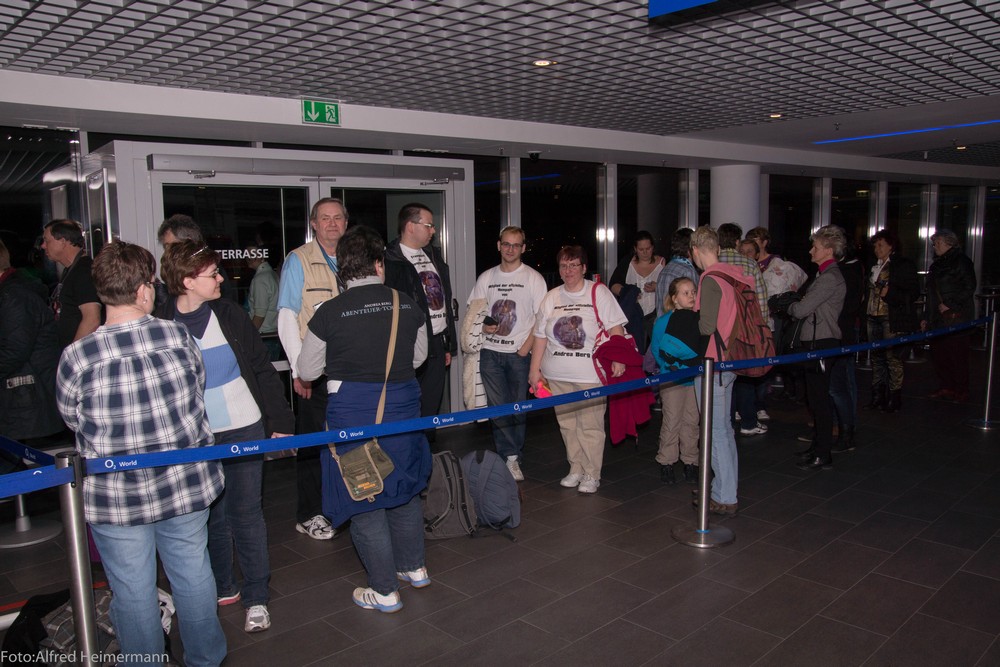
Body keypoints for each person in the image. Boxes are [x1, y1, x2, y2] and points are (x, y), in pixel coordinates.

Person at [55, 241, 226, 666]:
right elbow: (198, 388)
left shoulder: (78, 355)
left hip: (116, 495)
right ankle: (206, 659)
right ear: (144, 290)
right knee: (193, 573)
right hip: (185, 483)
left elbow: (71, 418)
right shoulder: (178, 336)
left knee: (132, 591)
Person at [158, 240, 295, 634]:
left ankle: (257, 595)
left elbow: (262, 368)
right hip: (194, 435)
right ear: (187, 281)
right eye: (212, 274)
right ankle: (223, 586)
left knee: (246, 513)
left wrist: (280, 420)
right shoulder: (161, 322)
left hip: (243, 424)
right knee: (211, 516)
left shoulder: (229, 314)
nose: (221, 279)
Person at [297, 225, 431, 614]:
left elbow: (307, 370)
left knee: (365, 495)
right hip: (403, 407)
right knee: (403, 486)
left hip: (354, 413)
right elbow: (419, 357)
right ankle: (414, 568)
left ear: (342, 268)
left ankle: (385, 591)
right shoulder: (407, 304)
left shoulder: (329, 311)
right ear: (378, 264)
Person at [529, 245, 627, 494]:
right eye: (564, 265)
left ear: (584, 268)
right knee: (567, 425)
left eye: (574, 265)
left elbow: (616, 327)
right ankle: (576, 467)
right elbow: (540, 337)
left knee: (590, 426)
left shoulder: (598, 292)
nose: (568, 270)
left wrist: (618, 358)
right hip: (556, 375)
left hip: (590, 375)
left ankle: (592, 473)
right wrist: (534, 370)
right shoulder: (551, 297)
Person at [276, 198, 347, 540]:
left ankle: (340, 505)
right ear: (314, 224)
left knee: (345, 442)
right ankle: (309, 514)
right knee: (312, 445)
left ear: (345, 223)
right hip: (314, 372)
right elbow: (287, 317)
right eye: (325, 218)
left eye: (338, 218)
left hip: (348, 370)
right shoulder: (298, 260)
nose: (332, 224)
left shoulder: (352, 259)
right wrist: (299, 370)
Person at [467, 226, 547, 481]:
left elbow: (542, 318)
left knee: (517, 409)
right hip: (490, 353)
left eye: (516, 245)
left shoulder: (533, 278)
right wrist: (483, 326)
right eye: (506, 244)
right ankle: (510, 457)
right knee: (498, 408)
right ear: (498, 245)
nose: (510, 249)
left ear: (523, 248)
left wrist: (526, 348)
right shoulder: (486, 277)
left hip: (518, 355)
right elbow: (475, 313)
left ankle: (513, 454)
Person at [383, 203, 458, 426]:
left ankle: (427, 446)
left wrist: (447, 344)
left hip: (437, 343)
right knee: (406, 407)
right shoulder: (389, 261)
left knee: (430, 407)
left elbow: (444, 301)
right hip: (408, 345)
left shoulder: (434, 255)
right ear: (410, 226)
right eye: (429, 225)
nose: (433, 231)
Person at [780, 226, 847, 471]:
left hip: (822, 342)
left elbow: (801, 310)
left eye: (815, 247)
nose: (811, 251)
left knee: (820, 399)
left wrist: (786, 305)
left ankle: (823, 452)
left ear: (828, 250)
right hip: (817, 340)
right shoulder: (824, 274)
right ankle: (818, 447)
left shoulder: (829, 277)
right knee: (815, 397)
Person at [690, 226, 746, 515]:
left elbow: (706, 326)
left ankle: (724, 495)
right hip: (730, 359)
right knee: (724, 428)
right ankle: (723, 486)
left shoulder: (710, 278)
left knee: (715, 431)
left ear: (695, 251)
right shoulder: (733, 275)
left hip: (713, 362)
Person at [0, 239, 64, 445]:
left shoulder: (14, 296)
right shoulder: (12, 292)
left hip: (27, 404)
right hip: (23, 401)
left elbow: (14, 351)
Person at [717, 223, 769, 437]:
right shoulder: (749, 263)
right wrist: (762, 330)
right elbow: (761, 301)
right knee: (745, 377)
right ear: (737, 241)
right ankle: (748, 421)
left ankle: (727, 422)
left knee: (723, 379)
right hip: (745, 329)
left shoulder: (713, 263)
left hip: (721, 330)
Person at [650, 276, 701, 485]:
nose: (691, 296)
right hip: (672, 378)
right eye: (685, 293)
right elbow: (656, 348)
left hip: (693, 378)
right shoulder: (663, 322)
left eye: (693, 292)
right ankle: (667, 462)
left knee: (692, 421)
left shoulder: (699, 319)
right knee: (671, 421)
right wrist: (669, 365)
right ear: (674, 298)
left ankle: (691, 461)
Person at [863, 229, 919, 413]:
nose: (877, 249)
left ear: (891, 246)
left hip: (891, 317)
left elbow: (913, 292)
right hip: (872, 316)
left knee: (893, 358)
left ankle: (894, 399)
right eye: (875, 245)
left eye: (881, 245)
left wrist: (891, 293)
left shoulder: (903, 265)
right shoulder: (874, 265)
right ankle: (877, 396)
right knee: (877, 358)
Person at [923, 229, 977, 402]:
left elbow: (969, 286)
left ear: (949, 243)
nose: (935, 246)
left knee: (957, 355)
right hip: (938, 317)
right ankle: (946, 386)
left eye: (938, 243)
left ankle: (961, 389)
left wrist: (950, 304)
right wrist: (926, 316)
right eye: (934, 243)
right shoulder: (936, 265)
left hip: (956, 316)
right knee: (940, 354)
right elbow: (931, 294)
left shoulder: (961, 261)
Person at [41, 219, 102, 348]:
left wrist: (72, 354)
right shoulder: (72, 270)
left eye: (47, 241)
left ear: (63, 241)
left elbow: (92, 319)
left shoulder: (84, 271)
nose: (43, 246)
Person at [830, 246, 865, 453]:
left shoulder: (847, 272)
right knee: (835, 387)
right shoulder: (840, 271)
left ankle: (847, 429)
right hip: (836, 334)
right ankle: (837, 425)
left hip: (841, 335)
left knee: (840, 386)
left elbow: (849, 307)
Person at [157, 215, 238, 303]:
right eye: (166, 247)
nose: (167, 252)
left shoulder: (212, 273)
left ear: (188, 242)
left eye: (171, 247)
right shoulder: (173, 273)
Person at [610, 231, 665, 346]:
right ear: (635, 249)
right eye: (641, 249)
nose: (645, 252)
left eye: (648, 248)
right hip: (632, 316)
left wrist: (658, 287)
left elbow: (673, 287)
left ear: (653, 247)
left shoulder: (663, 263)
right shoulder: (627, 262)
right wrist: (628, 293)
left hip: (655, 318)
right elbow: (613, 284)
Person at [655, 228, 700, 318]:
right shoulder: (688, 271)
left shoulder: (667, 268)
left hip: (663, 321)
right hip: (679, 323)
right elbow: (694, 305)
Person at [245, 247, 281, 359]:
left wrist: (248, 335)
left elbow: (260, 314)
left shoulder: (260, 279)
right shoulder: (272, 274)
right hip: (273, 332)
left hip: (263, 334)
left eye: (251, 254)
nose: (248, 257)